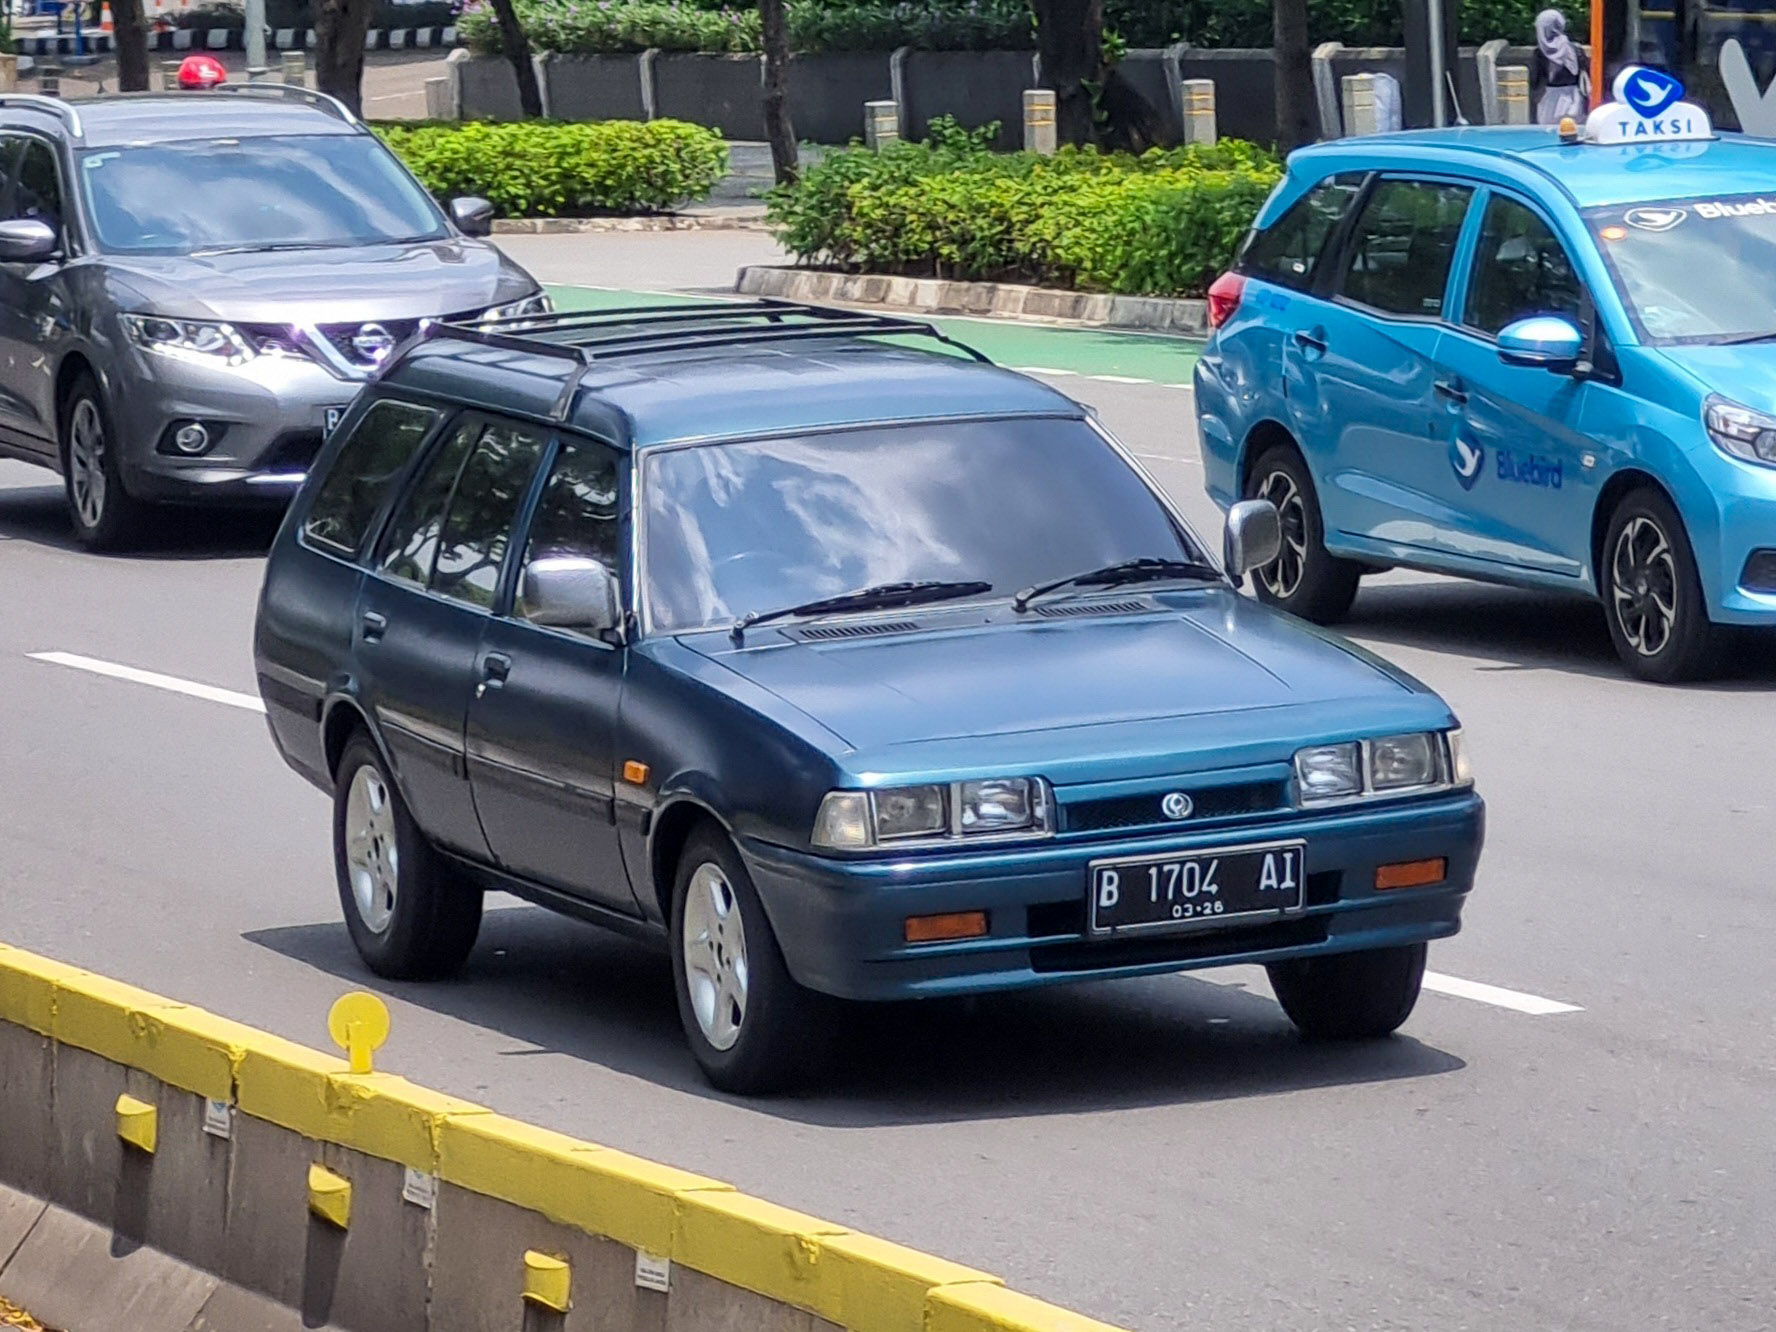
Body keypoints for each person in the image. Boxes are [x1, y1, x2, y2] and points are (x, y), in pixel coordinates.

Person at [1532, 8, 1590, 125]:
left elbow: (1536, 82)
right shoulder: (1575, 49)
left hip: (1549, 101)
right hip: (1574, 99)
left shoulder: (1540, 53)